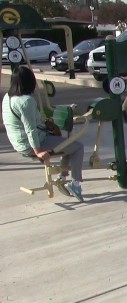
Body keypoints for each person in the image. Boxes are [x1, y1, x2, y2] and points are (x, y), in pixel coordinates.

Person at [2, 65, 85, 201]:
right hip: (31, 144)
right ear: (30, 82)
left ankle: (62, 178)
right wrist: (38, 151)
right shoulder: (26, 101)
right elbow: (30, 129)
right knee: (77, 147)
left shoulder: (8, 97)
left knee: (67, 144)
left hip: (18, 143)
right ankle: (75, 183)